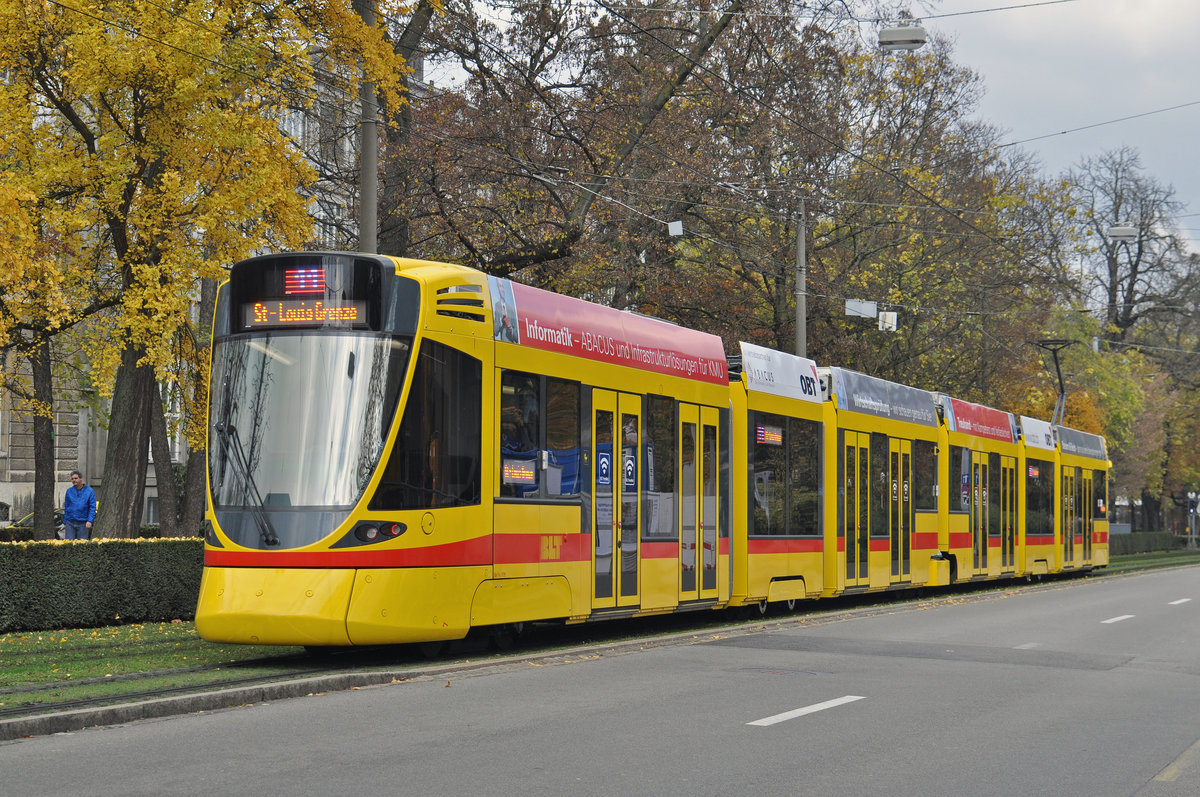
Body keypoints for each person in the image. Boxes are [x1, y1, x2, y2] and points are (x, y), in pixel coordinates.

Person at [63, 470, 97, 540]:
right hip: (70, 523)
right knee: (69, 544)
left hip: (83, 523)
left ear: (81, 479)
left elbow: (92, 507)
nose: (74, 480)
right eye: (72, 479)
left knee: (82, 544)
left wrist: (90, 521)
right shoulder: (69, 491)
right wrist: (65, 521)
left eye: (76, 478)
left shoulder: (89, 491)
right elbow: (66, 507)